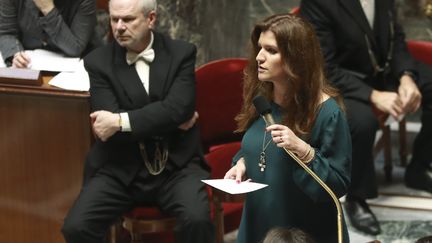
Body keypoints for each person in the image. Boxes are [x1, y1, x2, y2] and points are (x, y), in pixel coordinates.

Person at [61, 0, 214, 242]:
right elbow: (105, 127)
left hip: (176, 165)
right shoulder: (97, 61)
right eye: (114, 19)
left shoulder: (181, 52)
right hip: (120, 165)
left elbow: (180, 109)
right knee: (76, 227)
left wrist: (121, 121)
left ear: (151, 19)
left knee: (197, 220)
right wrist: (168, 118)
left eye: (128, 19)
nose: (119, 27)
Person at [300, 0, 432, 236]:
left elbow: (396, 39)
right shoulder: (318, 3)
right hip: (340, 81)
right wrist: (373, 95)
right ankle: (357, 198)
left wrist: (406, 76)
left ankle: (418, 168)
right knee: (362, 122)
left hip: (381, 71)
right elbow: (323, 66)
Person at [224, 13, 352, 243]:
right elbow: (257, 147)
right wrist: (242, 163)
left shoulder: (327, 113)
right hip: (257, 222)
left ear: (296, 58)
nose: (259, 57)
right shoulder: (261, 99)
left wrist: (303, 150)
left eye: (271, 50)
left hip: (301, 233)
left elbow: (337, 186)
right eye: (259, 48)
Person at [0, 0, 98, 68]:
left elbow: (75, 48)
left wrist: (48, 9)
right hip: (29, 66)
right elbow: (7, 32)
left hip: (75, 68)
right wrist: (16, 55)